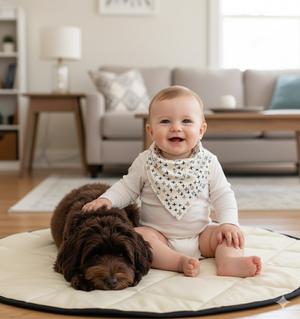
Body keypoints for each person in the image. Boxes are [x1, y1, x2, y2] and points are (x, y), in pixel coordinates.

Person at [82, 86, 262, 278]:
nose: (176, 127)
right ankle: (177, 261)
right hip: (160, 237)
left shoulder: (209, 162)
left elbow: (223, 194)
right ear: (150, 131)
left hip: (201, 235)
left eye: (186, 121)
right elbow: (126, 188)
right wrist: (107, 200)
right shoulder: (145, 161)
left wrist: (229, 223)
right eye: (165, 121)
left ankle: (229, 262)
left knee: (227, 237)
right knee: (140, 237)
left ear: (201, 130)